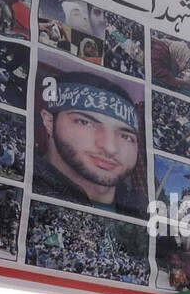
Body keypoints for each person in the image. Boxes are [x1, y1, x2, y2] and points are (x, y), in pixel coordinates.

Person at [33, 71, 147, 217]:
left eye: (125, 136)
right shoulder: (24, 181)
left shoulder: (143, 209)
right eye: (85, 122)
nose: (110, 148)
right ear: (49, 122)